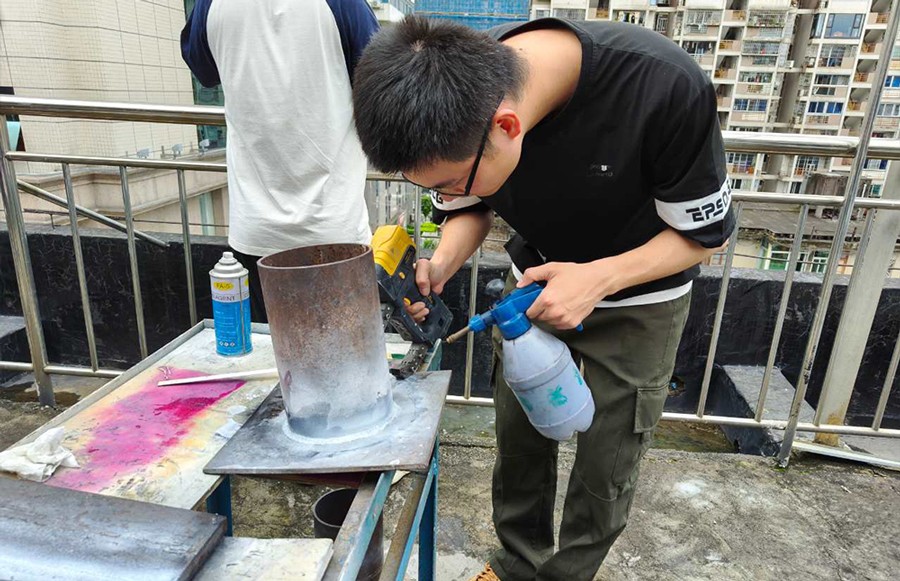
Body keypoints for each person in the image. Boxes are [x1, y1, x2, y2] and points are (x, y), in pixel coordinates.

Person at [352, 15, 734, 581]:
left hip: (641, 302)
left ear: (508, 126)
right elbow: (469, 208)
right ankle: (515, 567)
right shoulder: (461, 94)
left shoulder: (664, 86)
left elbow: (706, 234)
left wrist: (599, 278)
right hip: (530, 293)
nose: (443, 195)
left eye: (448, 182)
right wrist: (442, 264)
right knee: (520, 444)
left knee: (607, 464)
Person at [181, 0, 379, 322]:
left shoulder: (209, 4)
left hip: (255, 230)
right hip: (334, 229)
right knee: (344, 349)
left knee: (267, 347)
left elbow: (203, 70)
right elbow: (380, 80)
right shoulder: (344, 4)